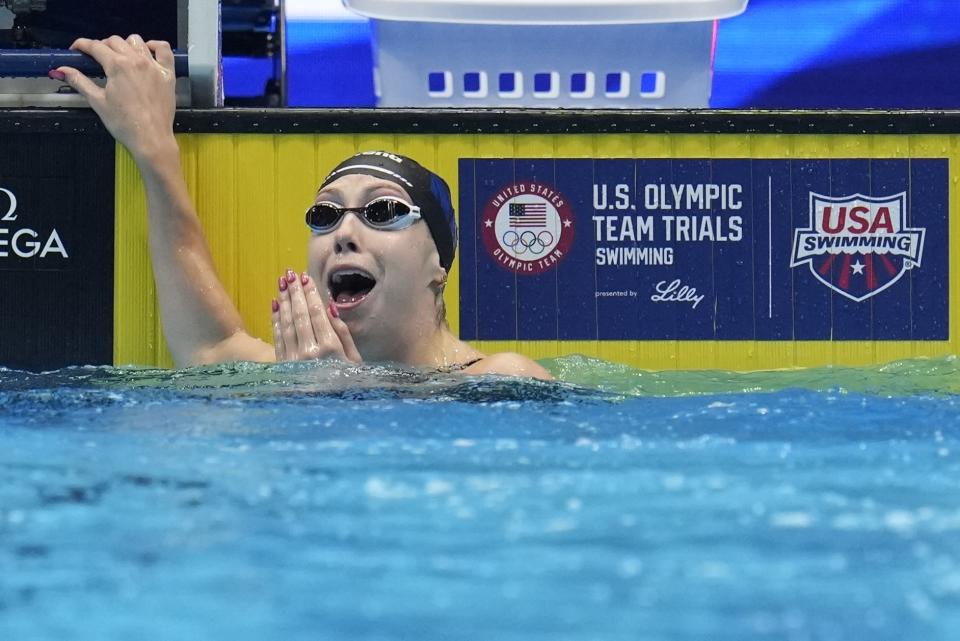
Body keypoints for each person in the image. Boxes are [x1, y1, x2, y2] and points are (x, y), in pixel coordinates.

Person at [50, 35, 551, 380]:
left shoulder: (501, 380)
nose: (343, 233)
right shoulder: (294, 374)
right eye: (325, 215)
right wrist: (152, 145)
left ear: (438, 263)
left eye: (381, 212)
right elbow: (210, 346)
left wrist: (335, 403)